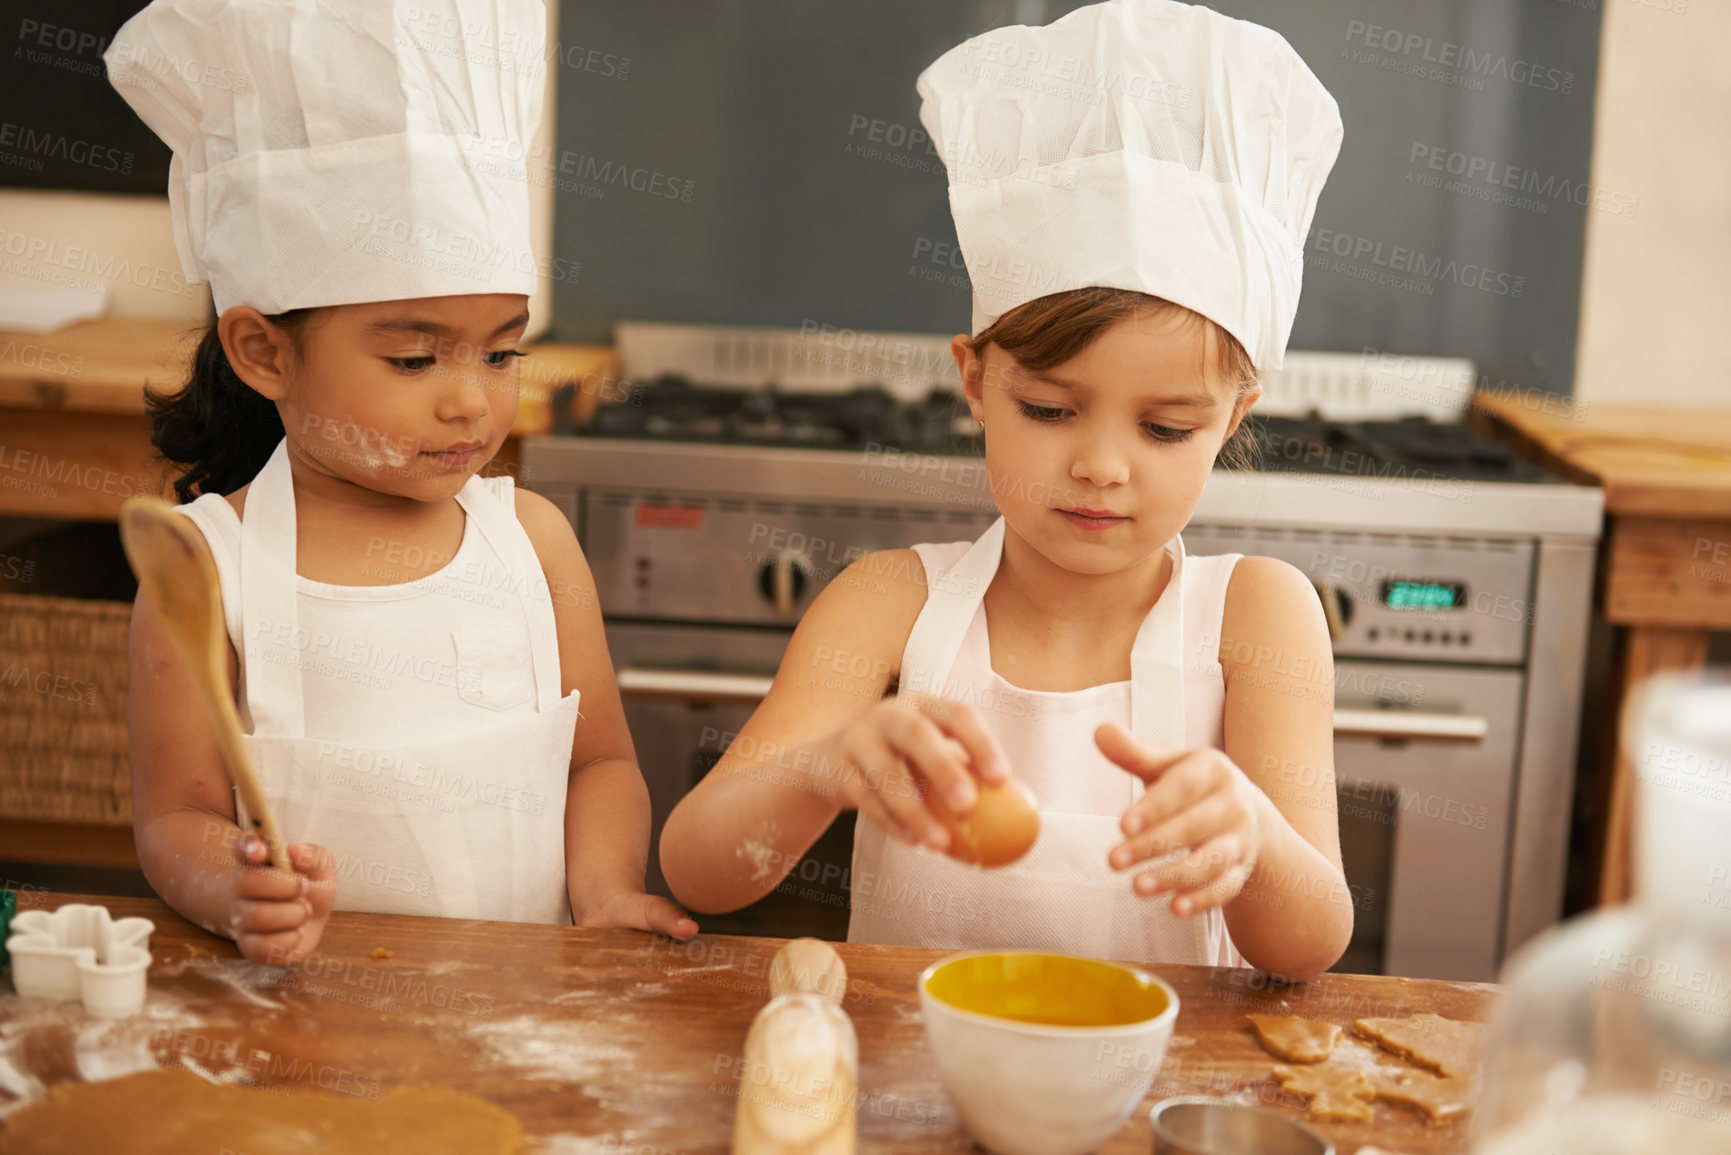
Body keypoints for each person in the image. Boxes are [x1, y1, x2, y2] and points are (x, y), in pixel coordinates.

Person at [660, 0, 1352, 979]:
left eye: (1165, 428)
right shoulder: (890, 601)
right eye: (1052, 410)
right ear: (977, 383)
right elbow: (700, 873)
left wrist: (1256, 842)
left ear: (1232, 422)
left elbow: (1309, 946)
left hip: (1144, 1109)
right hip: (910, 1095)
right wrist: (823, 769)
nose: (1103, 466)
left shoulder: (1258, 616)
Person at [113, 0, 696, 966]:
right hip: (308, 1042)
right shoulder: (202, 571)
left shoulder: (535, 541)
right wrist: (233, 884)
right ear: (263, 350)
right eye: (417, 360)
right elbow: (175, 817)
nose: (470, 403)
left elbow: (598, 763)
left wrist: (603, 892)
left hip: (521, 1020)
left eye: (502, 355)